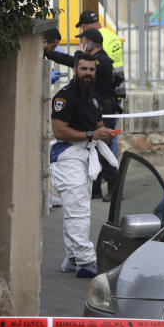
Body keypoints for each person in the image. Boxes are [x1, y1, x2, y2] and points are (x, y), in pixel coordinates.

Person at [49, 53, 118, 278]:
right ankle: (86, 261)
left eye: (91, 70)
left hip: (85, 157)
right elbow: (59, 130)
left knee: (78, 209)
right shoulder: (64, 97)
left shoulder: (91, 98)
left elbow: (96, 123)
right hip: (67, 157)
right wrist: (91, 134)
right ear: (75, 70)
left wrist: (105, 132)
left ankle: (72, 257)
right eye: (84, 69)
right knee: (78, 211)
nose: (88, 73)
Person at [45, 28, 120, 201]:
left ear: (90, 42)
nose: (81, 43)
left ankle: (113, 186)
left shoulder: (101, 61)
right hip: (93, 106)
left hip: (102, 107)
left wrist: (50, 53)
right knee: (94, 146)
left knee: (102, 147)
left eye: (83, 40)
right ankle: (95, 189)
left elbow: (74, 61)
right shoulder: (69, 92)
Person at [75, 9, 124, 82]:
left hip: (105, 78)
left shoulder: (94, 38)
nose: (83, 30)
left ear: (85, 25)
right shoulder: (113, 36)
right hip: (119, 76)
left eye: (82, 27)